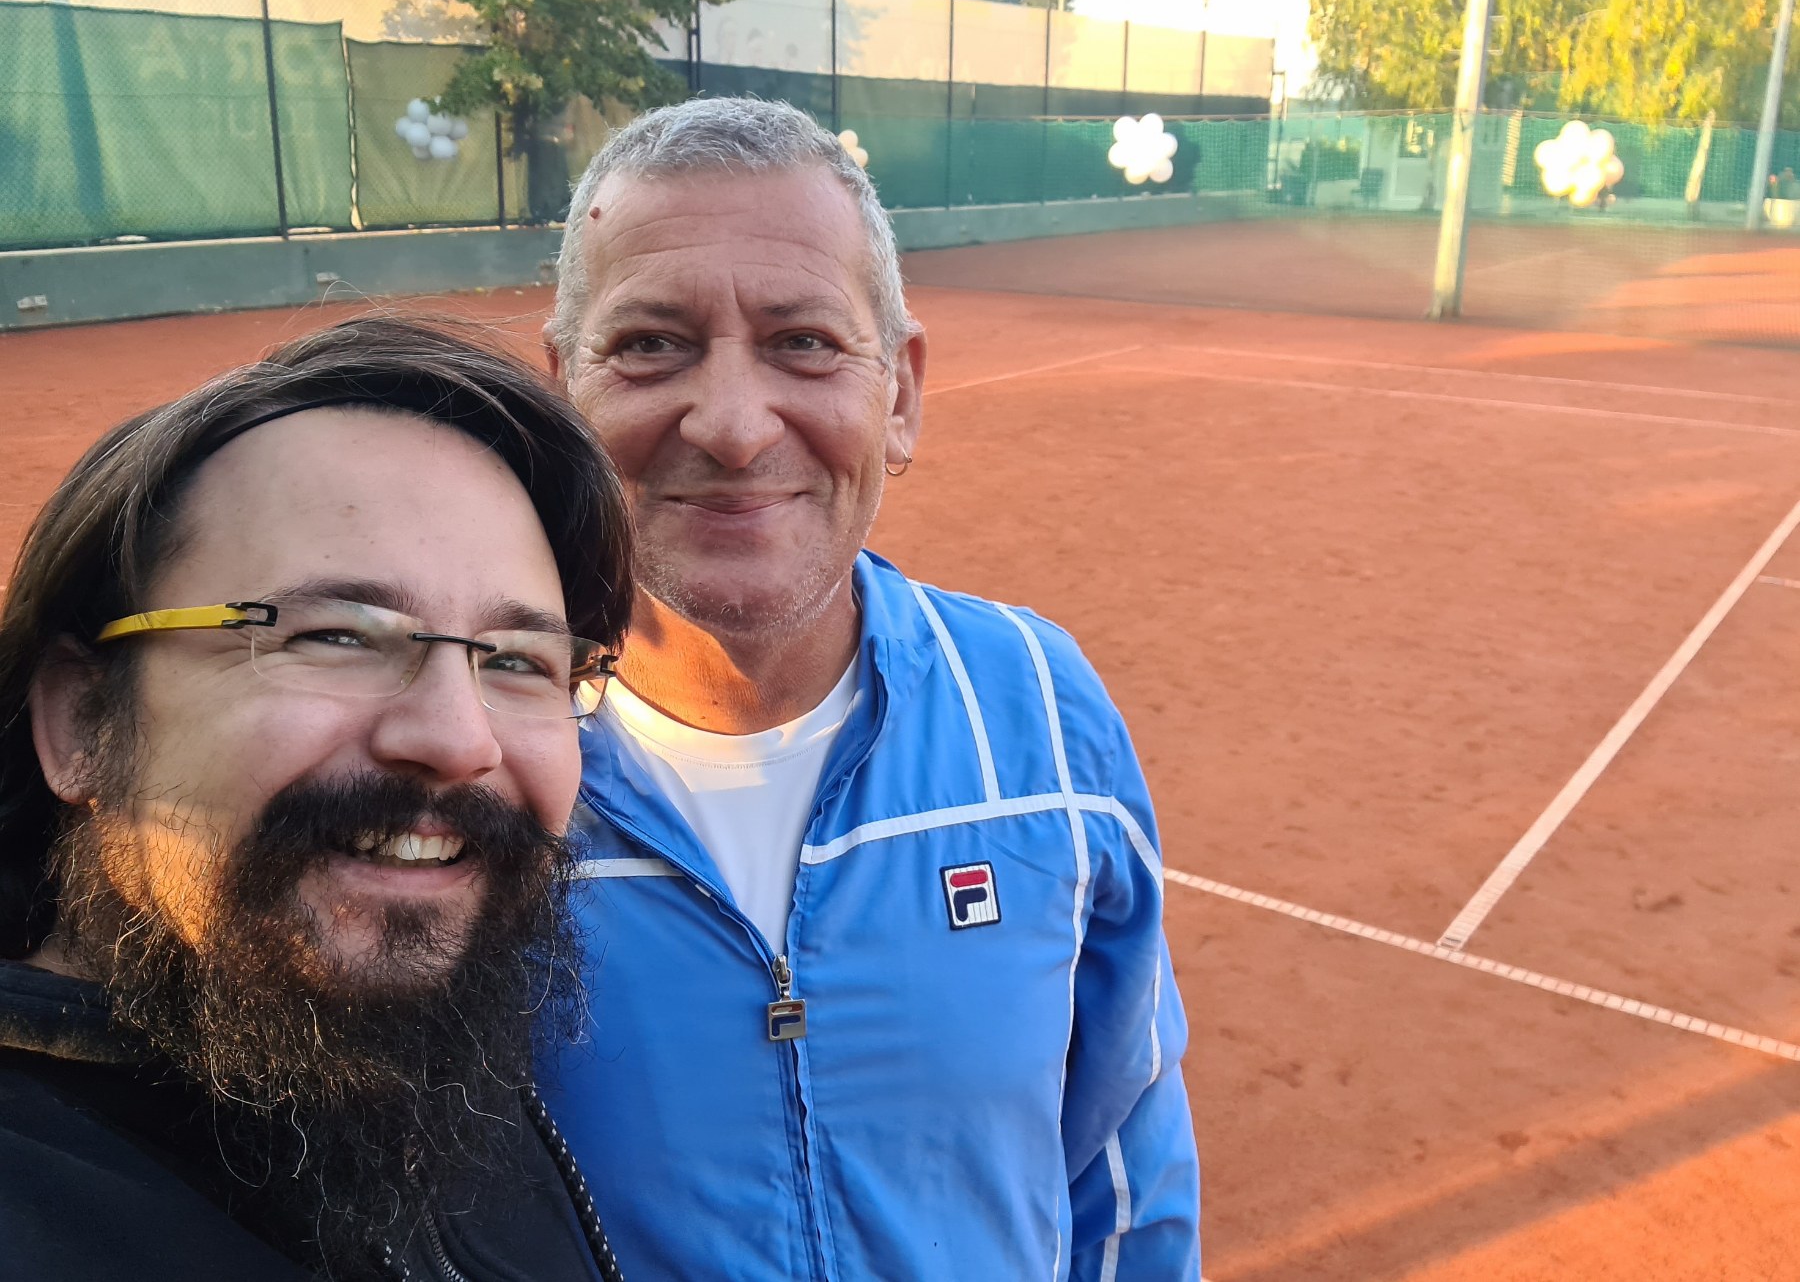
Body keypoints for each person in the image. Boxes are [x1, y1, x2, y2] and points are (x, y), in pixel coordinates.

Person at [540, 97, 1201, 1279]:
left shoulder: (1040, 701)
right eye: (649, 345)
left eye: (803, 342)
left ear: (899, 394)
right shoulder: (470, 762)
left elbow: (1123, 1164)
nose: (733, 426)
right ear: (562, 398)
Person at [0, 316, 634, 1282]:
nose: (461, 740)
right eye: (335, 636)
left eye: (518, 661)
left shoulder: (436, 1048)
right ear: (82, 720)